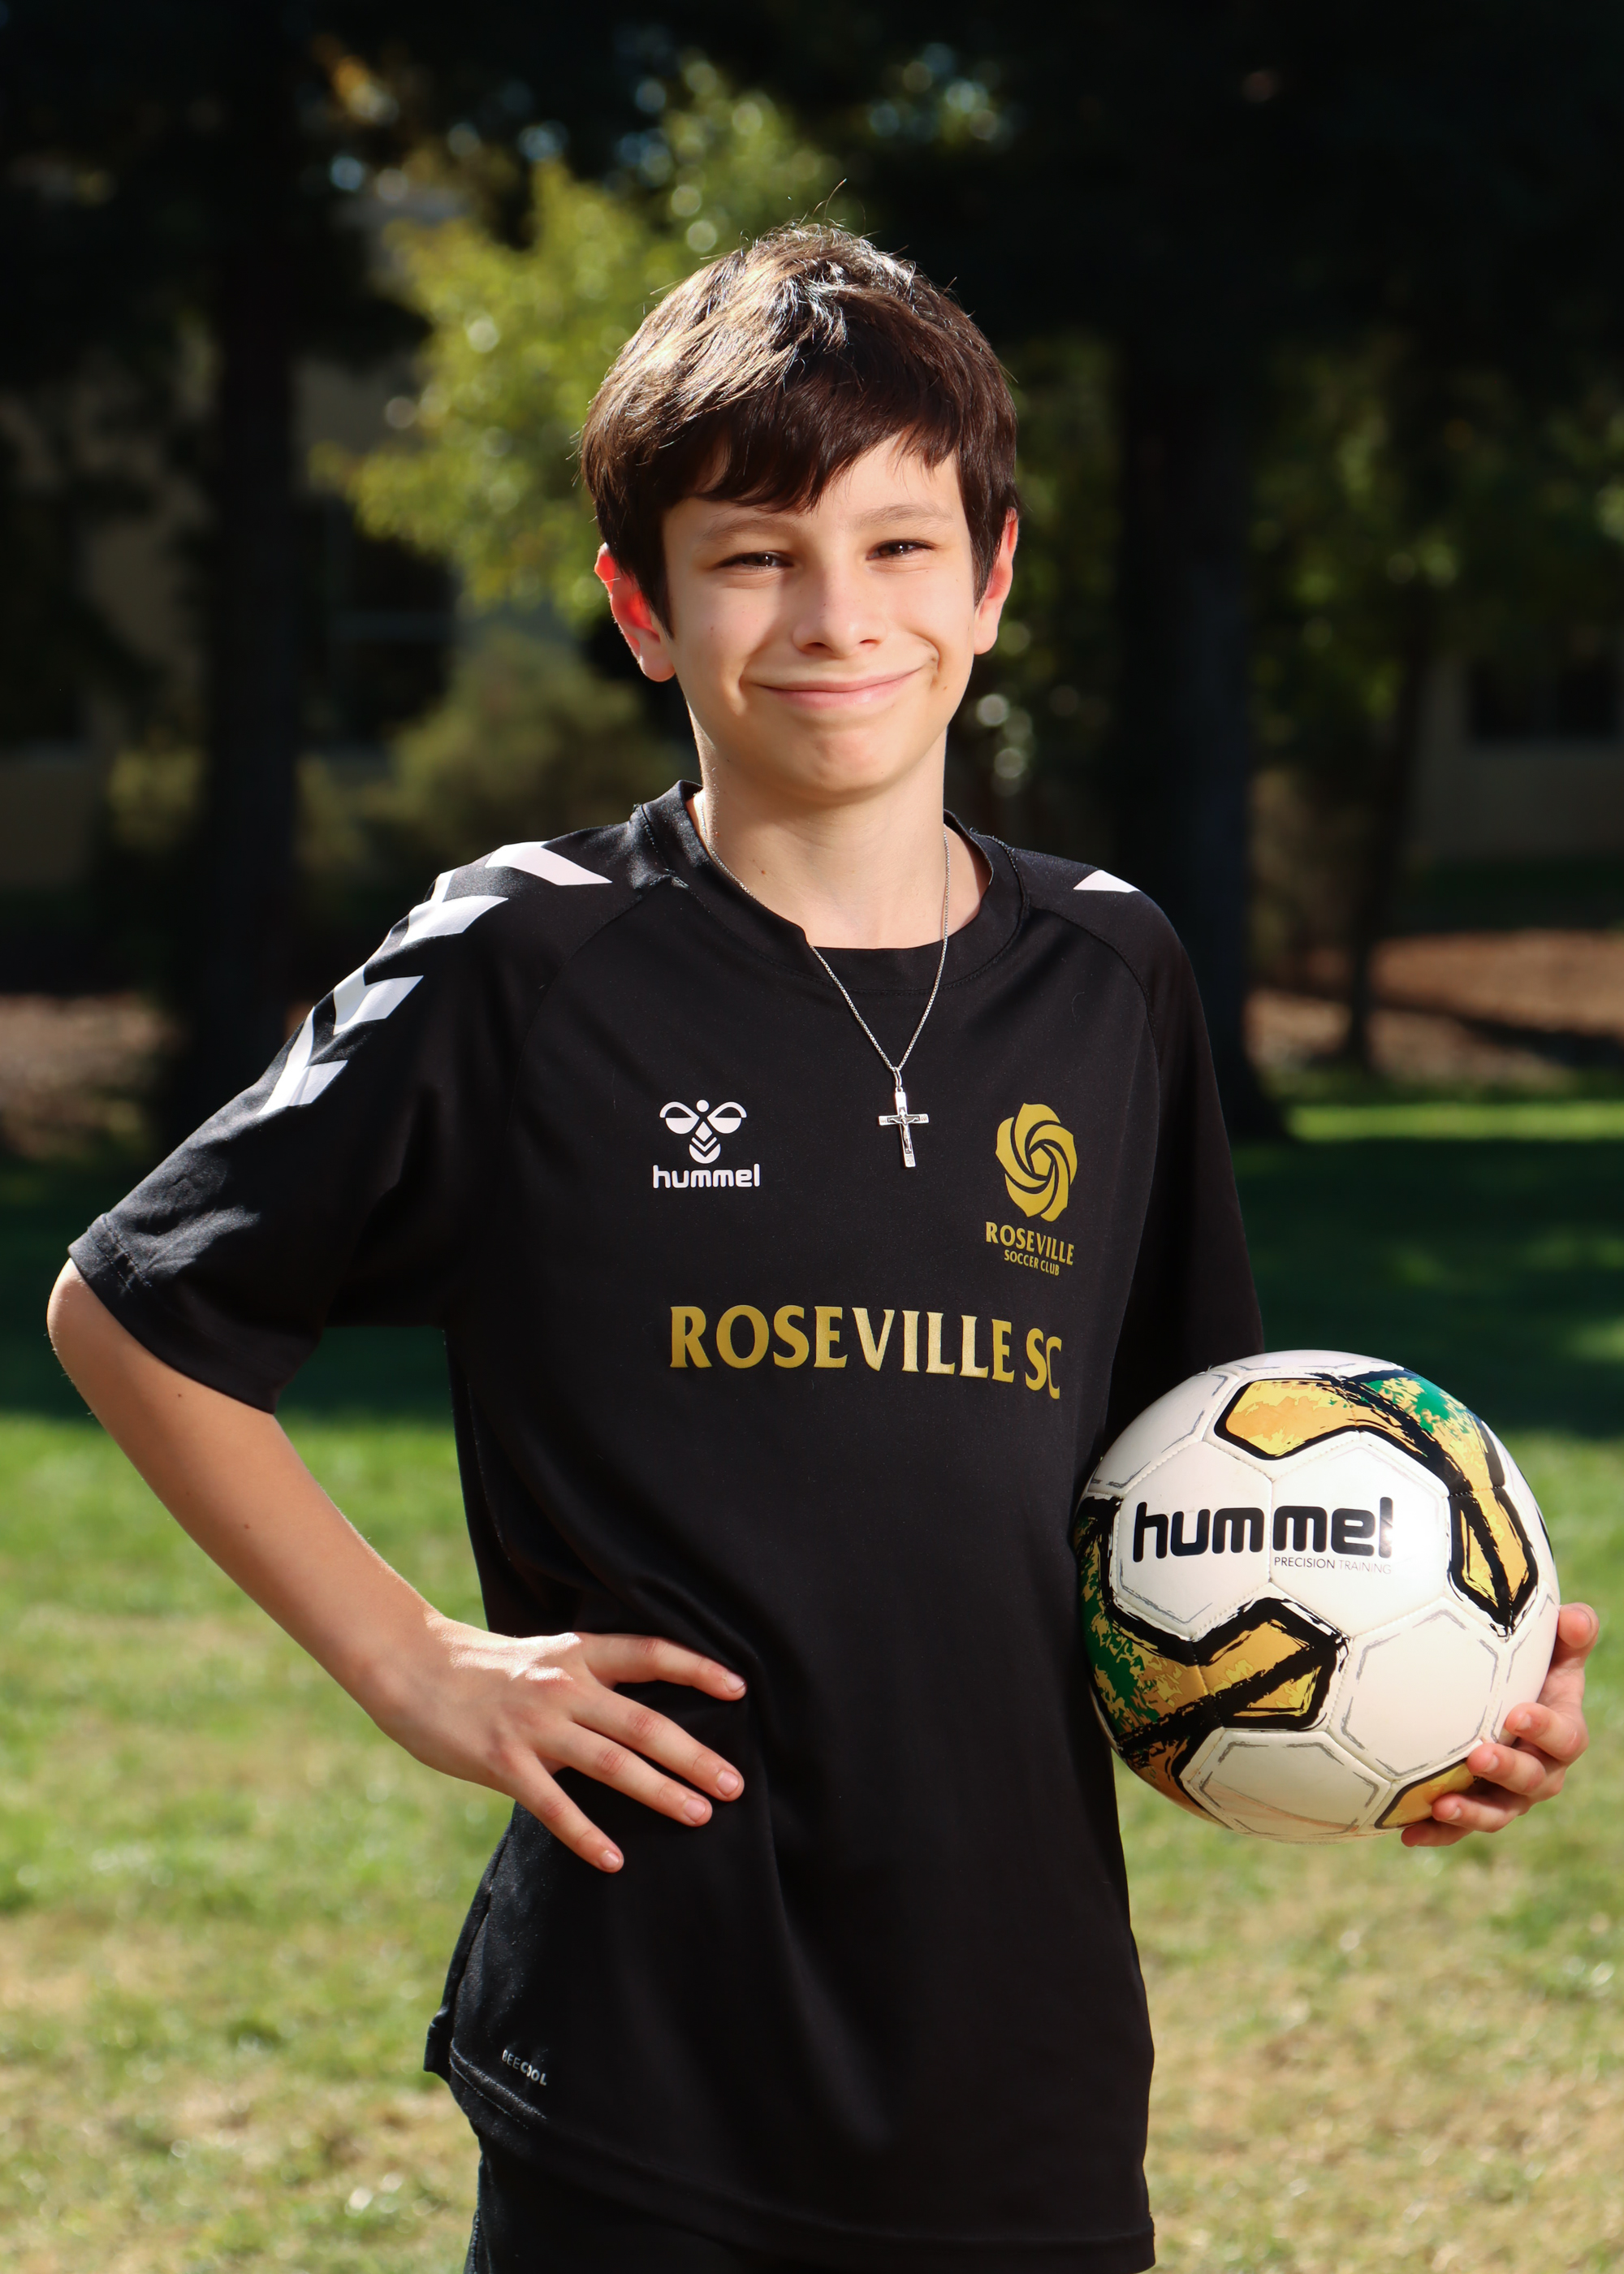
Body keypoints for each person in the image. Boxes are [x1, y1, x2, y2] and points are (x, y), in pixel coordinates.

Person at [46, 227, 1595, 2274]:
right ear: (641, 605)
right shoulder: (525, 958)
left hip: (1021, 2064)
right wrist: (415, 1659)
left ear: (993, 578)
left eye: (897, 545)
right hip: (646, 2053)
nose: (835, 614)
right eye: (754, 555)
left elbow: (1170, 1523)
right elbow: (134, 1307)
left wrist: (1424, 1703)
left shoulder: (1111, 972)